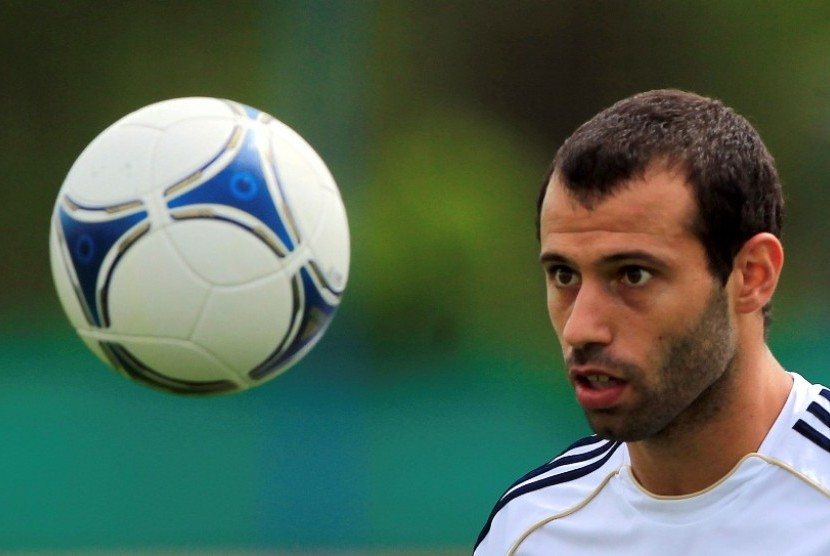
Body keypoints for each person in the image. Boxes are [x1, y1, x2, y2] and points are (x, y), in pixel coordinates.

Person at [473, 89, 830, 555]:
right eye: (564, 275)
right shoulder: (528, 530)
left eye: (633, 275)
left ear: (752, 275)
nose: (581, 329)